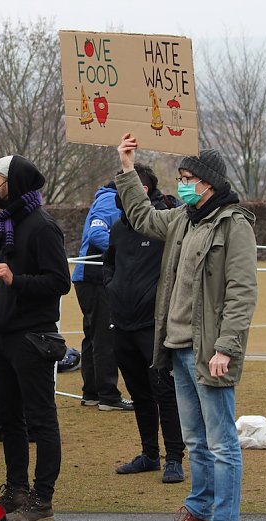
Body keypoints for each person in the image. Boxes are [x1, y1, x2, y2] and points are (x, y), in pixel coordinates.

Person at [115, 134, 257, 521]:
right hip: (177, 348)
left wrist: (226, 346)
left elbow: (242, 290)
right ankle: (198, 512)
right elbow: (141, 216)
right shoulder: (182, 218)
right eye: (180, 178)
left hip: (210, 351)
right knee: (195, 440)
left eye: (190, 177)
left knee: (221, 443)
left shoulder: (234, 224)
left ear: (210, 182)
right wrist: (127, 168)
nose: (183, 184)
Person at [0, 154, 71, 521]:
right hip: (2, 336)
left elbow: (59, 282)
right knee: (8, 418)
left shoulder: (43, 227)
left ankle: (42, 499)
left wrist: (16, 279)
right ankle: (17, 489)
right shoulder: (8, 225)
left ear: (15, 183)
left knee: (40, 419)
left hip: (32, 337)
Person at [104, 163, 185, 483]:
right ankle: (150, 454)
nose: (116, 194)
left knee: (164, 391)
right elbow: (108, 265)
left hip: (154, 325)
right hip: (122, 323)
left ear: (143, 190)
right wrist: (113, 290)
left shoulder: (165, 226)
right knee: (138, 392)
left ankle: (175, 458)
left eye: (122, 188)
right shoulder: (118, 229)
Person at [72, 176, 132, 411]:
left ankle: (93, 392)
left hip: (87, 278)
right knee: (105, 336)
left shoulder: (104, 199)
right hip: (95, 278)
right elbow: (97, 234)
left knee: (93, 336)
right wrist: (124, 251)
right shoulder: (109, 201)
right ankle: (108, 395)